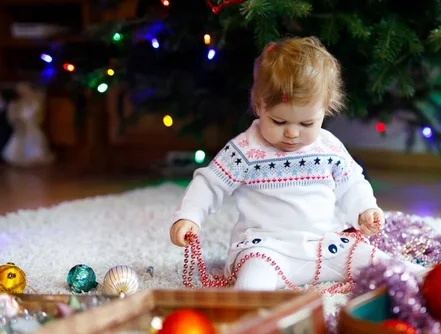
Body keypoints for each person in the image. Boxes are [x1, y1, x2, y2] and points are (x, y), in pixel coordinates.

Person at [170, 36, 422, 290]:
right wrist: (189, 217)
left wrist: (365, 210)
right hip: (267, 249)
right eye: (279, 122)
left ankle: (426, 276)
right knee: (251, 284)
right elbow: (210, 184)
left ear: (325, 109)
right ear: (259, 106)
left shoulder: (329, 147)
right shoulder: (245, 150)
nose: (292, 133)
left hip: (326, 246)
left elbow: (352, 183)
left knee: (379, 263)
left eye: (306, 124)